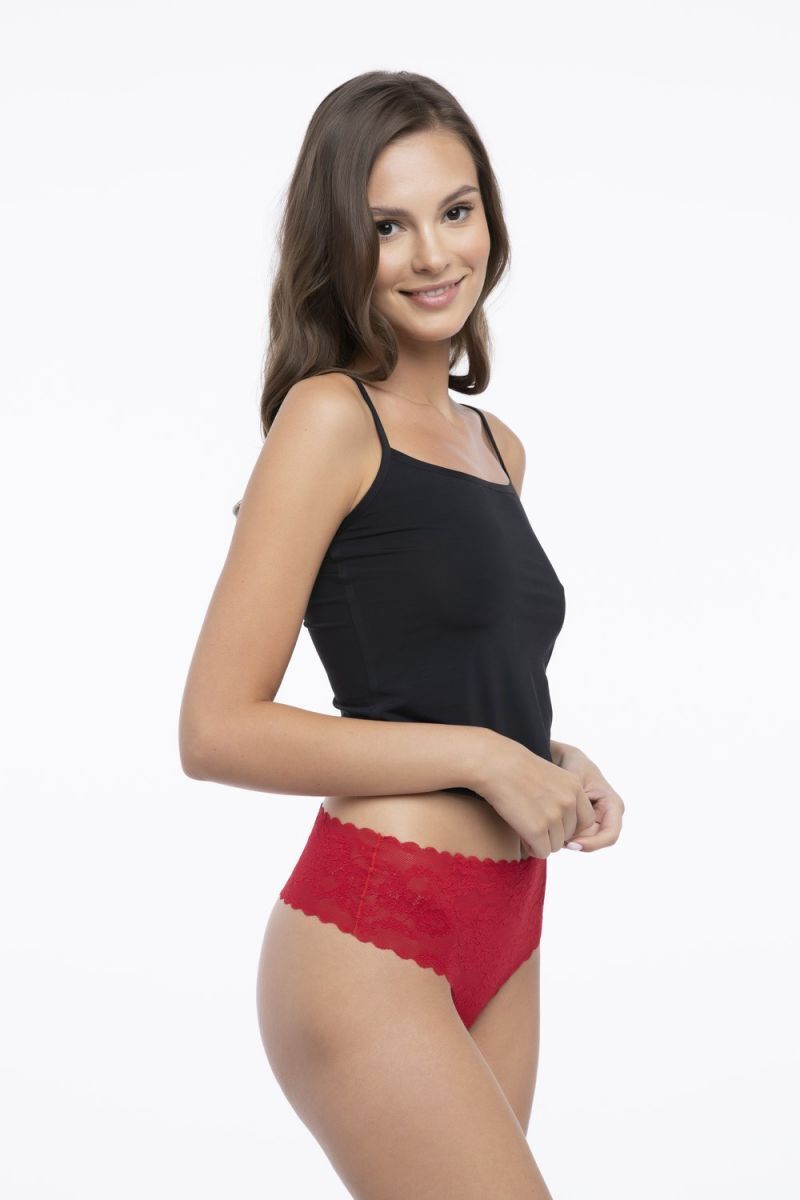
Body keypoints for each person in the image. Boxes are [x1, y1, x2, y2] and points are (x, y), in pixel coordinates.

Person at [178, 70, 625, 1200]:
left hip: (509, 923)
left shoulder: (496, 446)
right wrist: (481, 756)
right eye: (387, 226)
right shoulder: (329, 417)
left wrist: (549, 757)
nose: (433, 254)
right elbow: (215, 729)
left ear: (488, 219)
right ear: (340, 240)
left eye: (455, 211)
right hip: (374, 924)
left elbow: (436, 678)